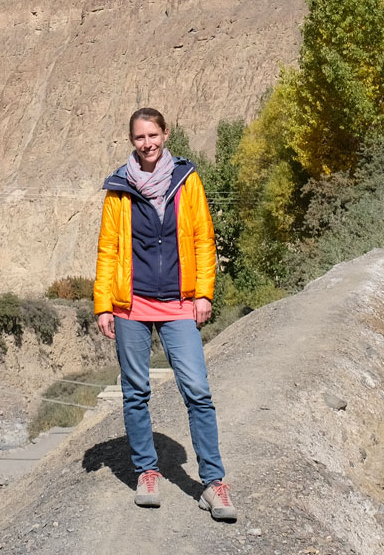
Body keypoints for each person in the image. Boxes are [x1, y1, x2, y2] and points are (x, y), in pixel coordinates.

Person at [93, 106, 237, 522]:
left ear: (166, 134)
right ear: (131, 141)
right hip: (130, 306)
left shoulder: (186, 180)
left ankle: (212, 482)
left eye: (153, 135)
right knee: (136, 392)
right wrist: (104, 303)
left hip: (178, 303)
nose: (148, 144)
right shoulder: (118, 188)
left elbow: (203, 239)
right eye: (140, 138)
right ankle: (147, 472)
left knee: (197, 390)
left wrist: (204, 294)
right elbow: (108, 251)